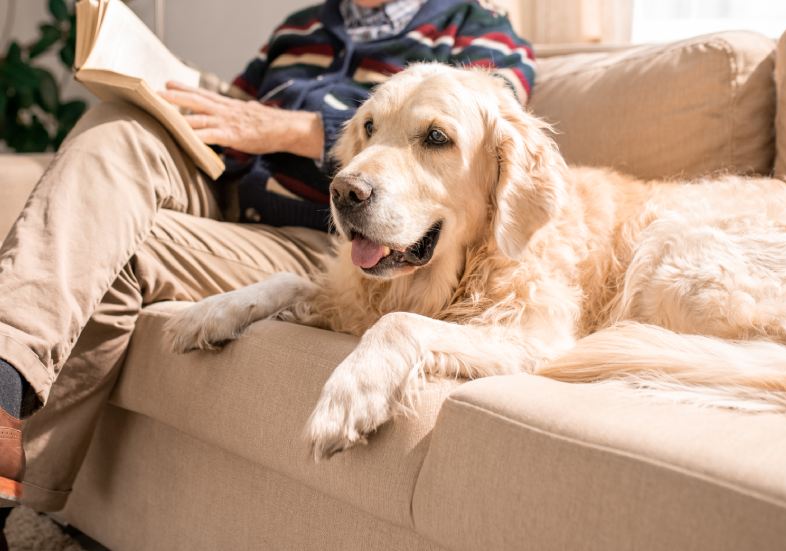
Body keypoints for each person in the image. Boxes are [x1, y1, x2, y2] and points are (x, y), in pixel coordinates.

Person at [0, 0, 534, 526]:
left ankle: (9, 486)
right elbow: (237, 104)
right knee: (116, 124)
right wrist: (172, 93)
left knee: (105, 244)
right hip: (224, 191)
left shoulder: (476, 30)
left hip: (310, 233)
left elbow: (497, 122)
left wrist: (283, 128)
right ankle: (4, 386)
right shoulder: (300, 25)